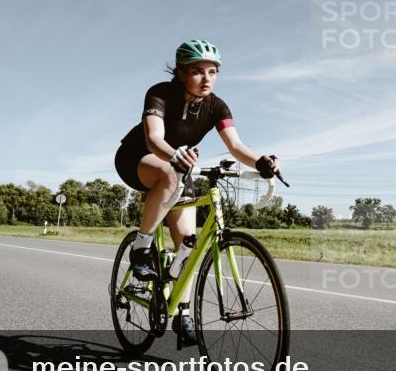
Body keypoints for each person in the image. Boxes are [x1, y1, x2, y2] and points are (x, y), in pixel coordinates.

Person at [114, 39, 280, 347]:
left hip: (180, 169)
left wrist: (261, 162)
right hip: (138, 158)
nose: (207, 79)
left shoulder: (217, 106)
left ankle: (184, 312)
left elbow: (236, 146)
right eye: (197, 71)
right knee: (168, 172)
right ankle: (141, 246)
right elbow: (153, 138)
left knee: (187, 245)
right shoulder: (160, 93)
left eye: (213, 71)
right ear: (180, 73)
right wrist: (173, 154)